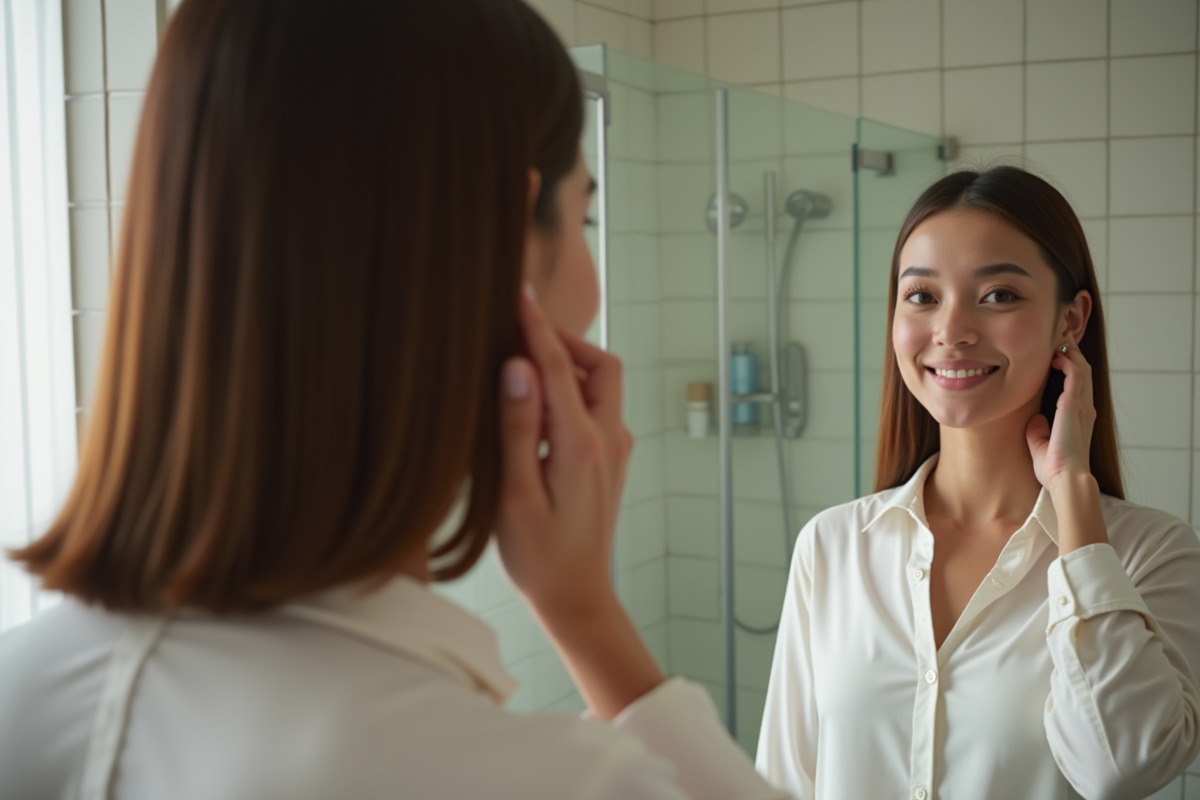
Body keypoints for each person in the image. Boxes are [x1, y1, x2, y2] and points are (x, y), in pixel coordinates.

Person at [0, 1, 792, 798]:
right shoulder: (533, 782)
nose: (593, 289)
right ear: (503, 246)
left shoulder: (21, 692)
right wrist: (586, 615)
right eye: (584, 214)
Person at [756, 166, 1200, 800]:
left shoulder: (1152, 555)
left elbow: (1121, 767)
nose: (951, 330)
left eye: (997, 295)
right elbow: (783, 781)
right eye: (922, 296)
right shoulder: (832, 545)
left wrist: (1074, 496)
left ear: (1070, 322)